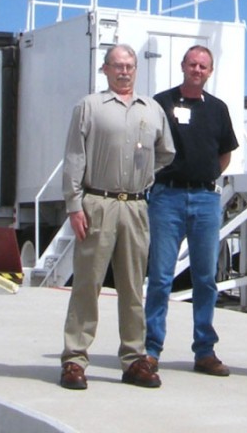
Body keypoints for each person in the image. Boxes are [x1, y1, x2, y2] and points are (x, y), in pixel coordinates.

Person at [60, 44, 175, 391]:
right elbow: (74, 157)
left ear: (136, 70)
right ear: (105, 70)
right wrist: (74, 204)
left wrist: (141, 176)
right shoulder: (90, 107)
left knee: (133, 287)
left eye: (129, 66)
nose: (124, 72)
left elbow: (165, 152)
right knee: (87, 284)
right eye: (117, 66)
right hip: (98, 203)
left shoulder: (152, 110)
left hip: (136, 207)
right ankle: (75, 359)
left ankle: (134, 358)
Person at [145, 45, 238, 377]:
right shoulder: (161, 102)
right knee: (160, 277)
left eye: (204, 66)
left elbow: (224, 155)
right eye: (192, 64)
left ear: (210, 72)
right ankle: (151, 350)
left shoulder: (218, 109)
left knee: (205, 278)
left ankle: (205, 351)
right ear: (182, 66)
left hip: (205, 201)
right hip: (166, 199)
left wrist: (206, 176)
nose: (197, 70)